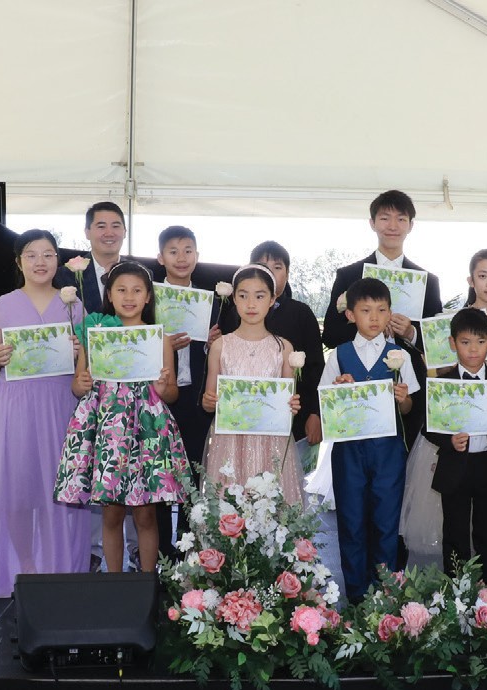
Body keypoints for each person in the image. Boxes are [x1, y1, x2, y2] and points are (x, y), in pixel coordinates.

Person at [399, 249, 487, 562]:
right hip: (456, 427)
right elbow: (434, 397)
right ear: (470, 280)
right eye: (482, 275)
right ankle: (456, 581)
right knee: (455, 526)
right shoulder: (452, 322)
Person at [54, 261, 191, 573]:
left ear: (148, 297)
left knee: (146, 514)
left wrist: (162, 388)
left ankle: (147, 583)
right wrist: (81, 383)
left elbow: (172, 393)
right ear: (110, 295)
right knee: (112, 513)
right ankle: (115, 583)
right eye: (121, 290)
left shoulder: (159, 339)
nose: (129, 297)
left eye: (137, 290)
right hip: (108, 432)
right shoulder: (95, 335)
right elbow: (77, 386)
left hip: (148, 433)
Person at [0, 230, 89, 598]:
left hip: (60, 404)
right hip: (17, 407)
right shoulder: (2, 305)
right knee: (18, 491)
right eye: (31, 255)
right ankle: (25, 566)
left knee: (62, 490)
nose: (40, 262)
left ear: (58, 260)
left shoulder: (73, 304)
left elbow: (87, 368)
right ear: (19, 262)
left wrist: (80, 351)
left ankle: (64, 567)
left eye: (48, 254)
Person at [320, 277, 420, 603]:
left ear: (390, 313)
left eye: (381, 310)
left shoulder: (399, 355)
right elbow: (326, 405)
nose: (374, 317)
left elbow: (408, 408)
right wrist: (338, 389)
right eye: (365, 310)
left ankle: (385, 598)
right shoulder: (338, 356)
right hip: (348, 451)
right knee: (351, 522)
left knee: (386, 523)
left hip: (388, 451)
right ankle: (356, 597)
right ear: (350, 315)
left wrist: (403, 398)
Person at [321, 189, 442, 449]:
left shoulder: (428, 281)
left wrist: (410, 333)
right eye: (385, 218)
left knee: (402, 460)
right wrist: (365, 327)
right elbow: (330, 334)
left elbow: (440, 346)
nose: (393, 226)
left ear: (411, 226)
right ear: (372, 223)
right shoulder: (348, 275)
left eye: (401, 219)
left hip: (407, 390)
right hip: (355, 385)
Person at [52, 201, 135, 570]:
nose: (108, 232)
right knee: (92, 469)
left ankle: (134, 550)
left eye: (116, 225)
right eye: (100, 225)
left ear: (124, 232)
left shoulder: (139, 275)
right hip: (85, 389)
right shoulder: (65, 277)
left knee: (130, 472)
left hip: (130, 395)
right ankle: (91, 551)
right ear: (87, 232)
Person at [422, 309, 487, 584]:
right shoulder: (442, 385)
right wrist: (449, 440)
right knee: (454, 533)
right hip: (456, 468)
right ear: (453, 343)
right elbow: (428, 427)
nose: (473, 349)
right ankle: (456, 590)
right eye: (465, 342)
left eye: (480, 341)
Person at [201, 263, 303, 502]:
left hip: (272, 442)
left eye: (259, 296)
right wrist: (209, 400)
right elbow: (208, 401)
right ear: (233, 298)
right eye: (243, 295)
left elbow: (286, 402)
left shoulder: (283, 348)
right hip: (230, 442)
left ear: (272, 299)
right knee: (229, 505)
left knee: (271, 506)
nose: (251, 304)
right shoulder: (221, 346)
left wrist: (291, 405)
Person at [219, 240, 325, 445]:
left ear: (288, 273)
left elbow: (316, 367)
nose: (270, 272)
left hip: (293, 415)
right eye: (262, 266)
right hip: (240, 419)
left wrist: (315, 412)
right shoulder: (234, 313)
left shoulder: (301, 313)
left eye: (277, 267)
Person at [154, 225, 220, 557]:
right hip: (158, 402)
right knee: (159, 482)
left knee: (194, 478)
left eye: (188, 250)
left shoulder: (213, 304)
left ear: (197, 255)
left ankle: (191, 556)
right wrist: (161, 344)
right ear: (160, 258)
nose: (181, 258)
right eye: (173, 251)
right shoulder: (149, 300)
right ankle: (162, 558)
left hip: (196, 402)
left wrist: (211, 345)